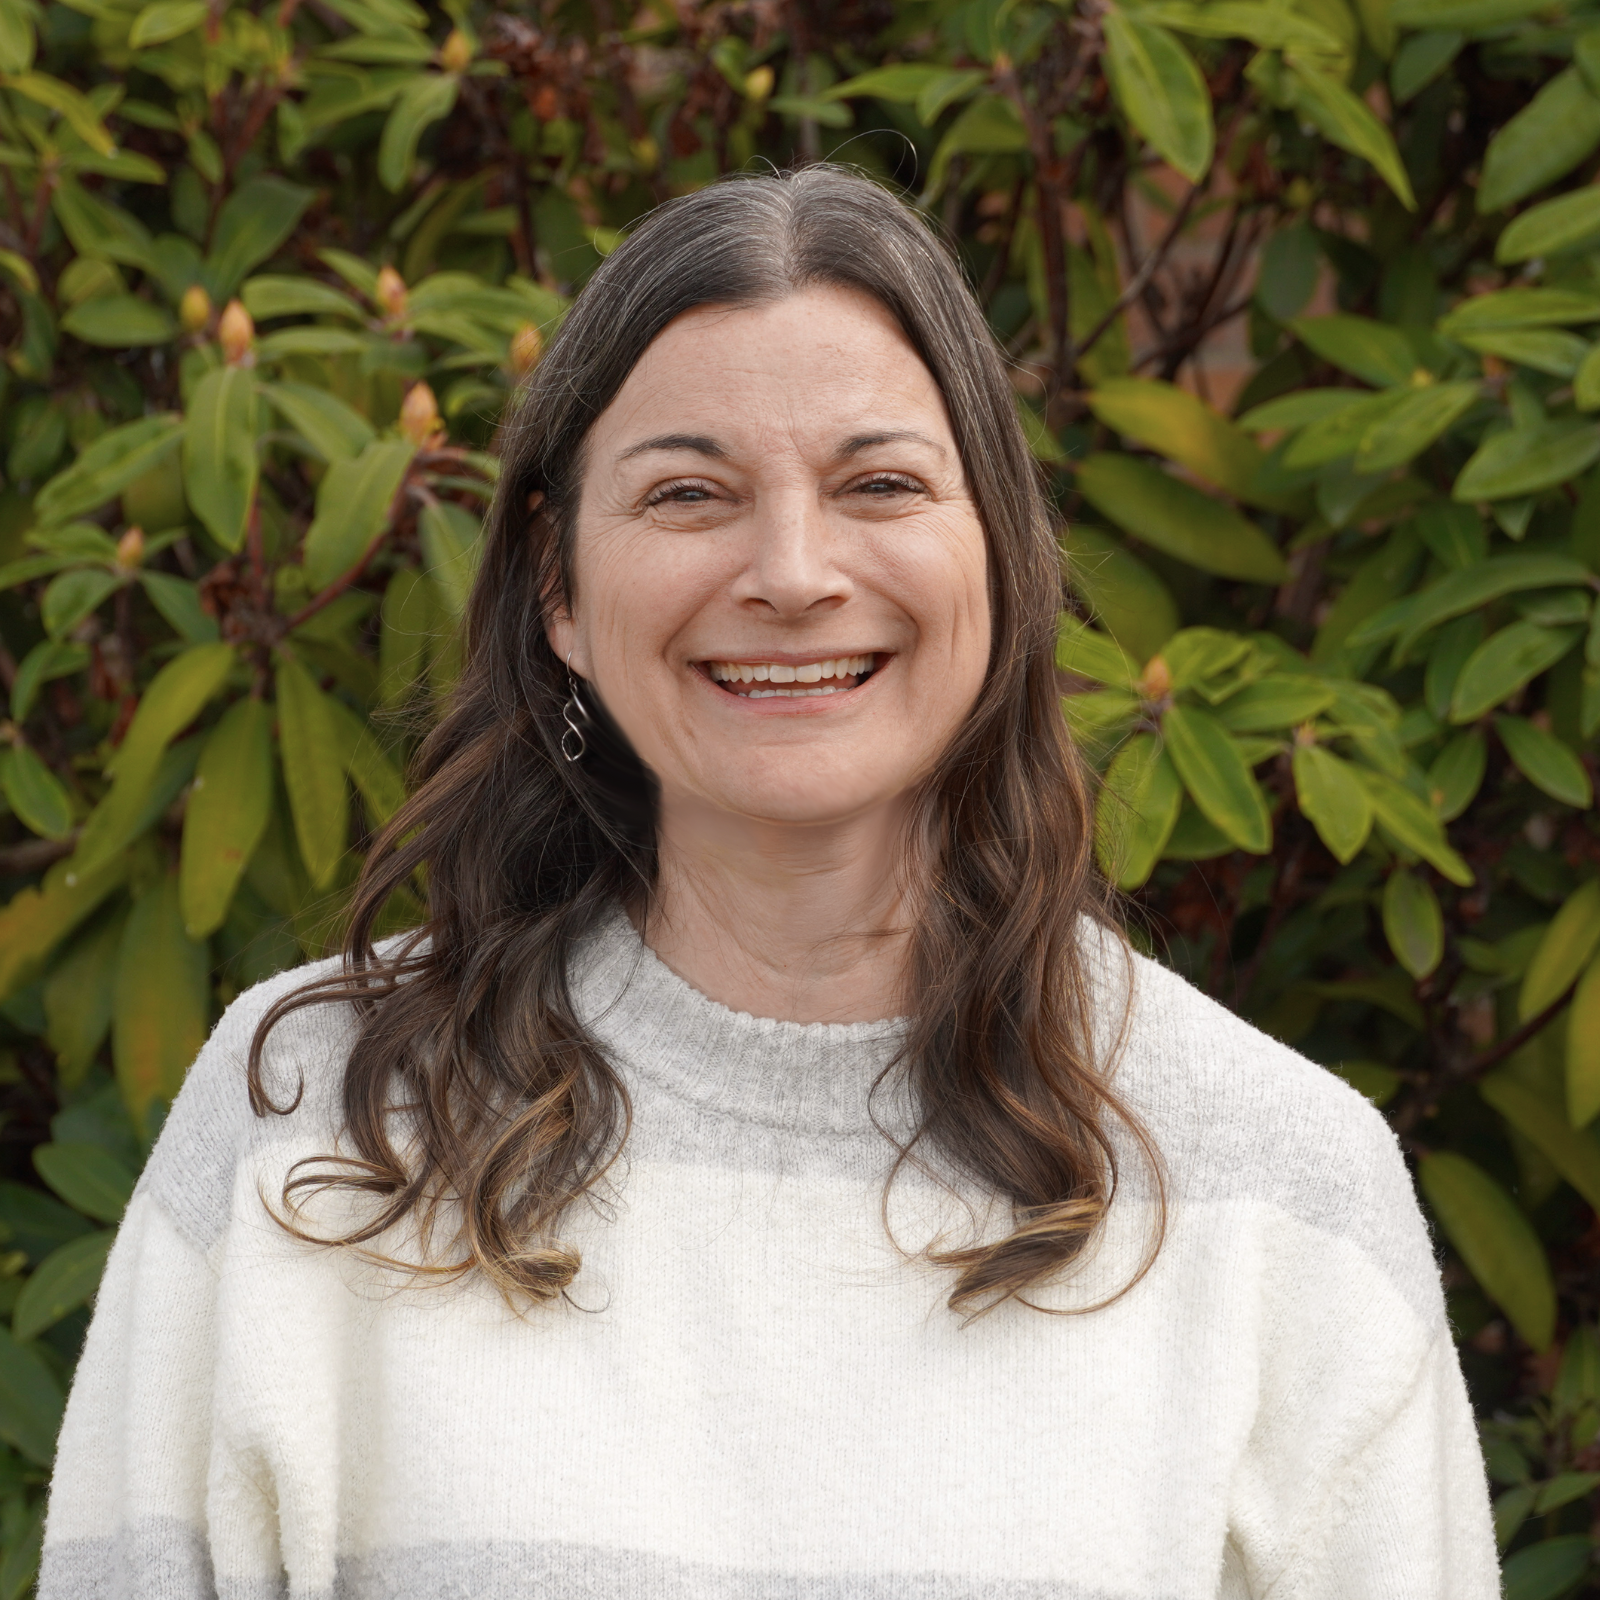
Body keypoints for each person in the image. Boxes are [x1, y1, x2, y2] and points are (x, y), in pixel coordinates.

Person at [40, 166, 1496, 1599]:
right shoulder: (309, 1125)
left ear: (999, 551)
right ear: (556, 587)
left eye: (880, 483)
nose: (793, 572)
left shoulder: (1280, 1186)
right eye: (689, 492)